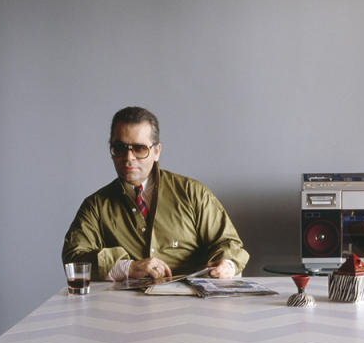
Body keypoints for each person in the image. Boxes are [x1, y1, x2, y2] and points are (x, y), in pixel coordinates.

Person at [62, 106, 249, 281]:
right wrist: (128, 268)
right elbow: (74, 258)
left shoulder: (192, 193)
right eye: (120, 148)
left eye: (139, 148)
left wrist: (228, 265)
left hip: (193, 305)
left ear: (157, 151)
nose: (128, 158)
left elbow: (228, 243)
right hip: (124, 310)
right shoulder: (95, 205)